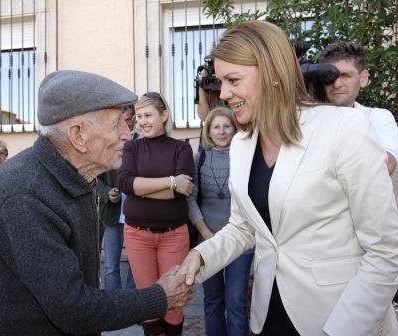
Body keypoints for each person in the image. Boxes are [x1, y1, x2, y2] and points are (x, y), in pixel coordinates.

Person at [178, 21, 398, 336]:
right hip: (267, 317)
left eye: (233, 80)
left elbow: (386, 252)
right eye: (221, 81)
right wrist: (200, 256)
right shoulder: (241, 144)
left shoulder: (344, 128)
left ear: (272, 73)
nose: (224, 94)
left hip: (340, 319)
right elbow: (244, 228)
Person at [0, 70, 192, 336]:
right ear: (78, 135)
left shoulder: (74, 177)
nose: (127, 135)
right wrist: (159, 296)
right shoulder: (24, 194)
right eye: (116, 124)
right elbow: (73, 307)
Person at [118, 91, 194, 336]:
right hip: (137, 236)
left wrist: (142, 189)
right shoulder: (132, 148)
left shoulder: (181, 148)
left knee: (174, 303)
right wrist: (171, 182)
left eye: (148, 115)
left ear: (164, 115)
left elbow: (183, 192)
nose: (143, 121)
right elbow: (126, 184)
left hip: (174, 236)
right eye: (139, 116)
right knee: (149, 304)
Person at [188, 106, 253, 336]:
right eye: (217, 127)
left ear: (235, 129)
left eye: (227, 126)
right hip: (207, 238)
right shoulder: (200, 158)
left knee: (236, 302)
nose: (222, 131)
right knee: (213, 300)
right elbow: (190, 199)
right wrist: (205, 232)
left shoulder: (245, 156)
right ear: (208, 130)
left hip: (240, 241)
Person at [319, 41, 398, 175]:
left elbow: (386, 166)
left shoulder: (378, 117)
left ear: (363, 78)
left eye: (345, 75)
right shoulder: (310, 118)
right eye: (329, 76)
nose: (337, 84)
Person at [98, 104, 135, 290]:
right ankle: (114, 311)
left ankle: (130, 307)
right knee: (111, 266)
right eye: (121, 121)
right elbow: (95, 179)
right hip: (112, 216)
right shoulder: (107, 147)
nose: (126, 124)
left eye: (128, 119)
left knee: (136, 266)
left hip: (137, 216)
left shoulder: (141, 145)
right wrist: (107, 193)